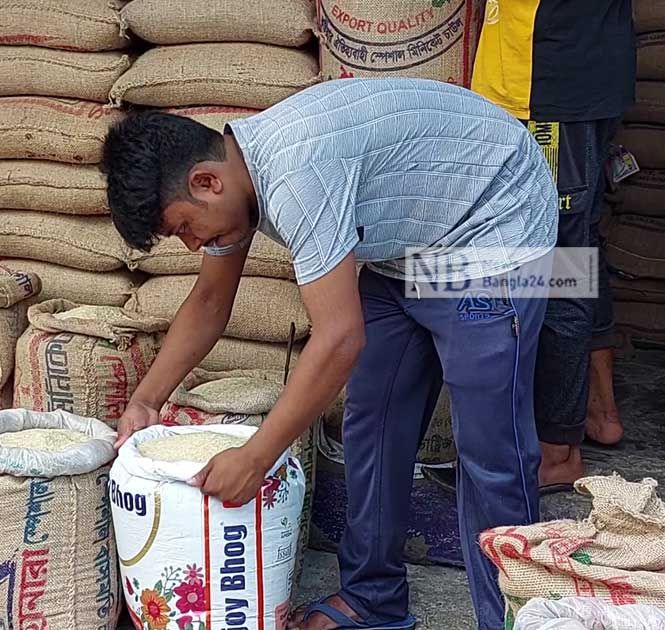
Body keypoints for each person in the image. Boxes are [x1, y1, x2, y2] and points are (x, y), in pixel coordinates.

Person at [102, 78, 558, 630]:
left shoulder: (297, 176)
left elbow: (340, 338)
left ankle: (518, 618)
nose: (193, 245)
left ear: (206, 181)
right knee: (372, 419)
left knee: (490, 448)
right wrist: (146, 401)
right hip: (413, 246)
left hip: (496, 226)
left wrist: (256, 457)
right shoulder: (233, 180)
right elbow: (209, 300)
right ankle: (373, 599)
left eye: (184, 229)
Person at [471, 0, 635, 491]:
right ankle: (597, 411)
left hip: (547, 82)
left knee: (555, 263)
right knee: (579, 249)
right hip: (580, 70)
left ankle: (555, 450)